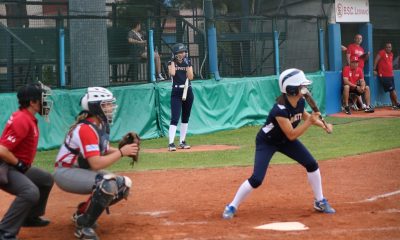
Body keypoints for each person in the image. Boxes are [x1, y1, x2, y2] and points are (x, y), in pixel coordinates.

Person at [222, 69, 335, 220]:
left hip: (285, 141)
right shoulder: (279, 110)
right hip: (267, 142)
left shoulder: (300, 102)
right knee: (257, 179)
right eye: (301, 86)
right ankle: (232, 206)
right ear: (292, 89)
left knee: (311, 164)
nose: (305, 89)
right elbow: (292, 134)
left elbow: (305, 116)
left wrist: (323, 125)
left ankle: (319, 201)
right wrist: (309, 122)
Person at [53, 87, 139, 240]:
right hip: (66, 172)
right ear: (95, 107)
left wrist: (126, 149)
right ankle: (84, 227)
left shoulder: (100, 125)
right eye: (106, 104)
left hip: (81, 170)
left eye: (110, 104)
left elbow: (103, 150)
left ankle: (82, 214)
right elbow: (96, 163)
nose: (111, 107)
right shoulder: (86, 129)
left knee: (123, 184)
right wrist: (121, 153)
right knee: (107, 184)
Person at [0, 82, 54, 240]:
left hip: (14, 165)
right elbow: (2, 150)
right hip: (5, 166)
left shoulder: (27, 117)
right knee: (30, 192)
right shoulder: (22, 120)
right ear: (32, 102)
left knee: (45, 179)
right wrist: (18, 163)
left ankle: (29, 218)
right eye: (41, 99)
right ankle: (5, 231)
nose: (44, 102)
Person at [167, 43, 194, 151]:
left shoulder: (187, 62)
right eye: (181, 52)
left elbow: (191, 76)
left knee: (185, 117)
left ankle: (182, 141)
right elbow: (172, 73)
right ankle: (171, 143)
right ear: (176, 54)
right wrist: (173, 61)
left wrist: (187, 65)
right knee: (175, 117)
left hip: (188, 90)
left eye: (184, 52)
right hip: (177, 91)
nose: (183, 54)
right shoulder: (171, 63)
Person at [373, 42, 400, 110]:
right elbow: (376, 60)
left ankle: (394, 105)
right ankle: (398, 103)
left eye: (389, 47)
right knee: (392, 90)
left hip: (391, 75)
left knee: (391, 90)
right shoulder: (382, 52)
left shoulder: (391, 54)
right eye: (387, 47)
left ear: (391, 48)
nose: (388, 48)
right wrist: (374, 69)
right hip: (384, 75)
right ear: (385, 48)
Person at [346, 34, 370, 109]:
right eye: (357, 38)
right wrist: (349, 66)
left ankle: (360, 104)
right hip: (352, 70)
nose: (359, 39)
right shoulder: (351, 46)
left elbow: (363, 60)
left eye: (360, 38)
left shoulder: (361, 49)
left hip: (360, 69)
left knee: (362, 86)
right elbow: (348, 56)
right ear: (354, 39)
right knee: (355, 85)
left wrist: (367, 56)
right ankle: (360, 104)